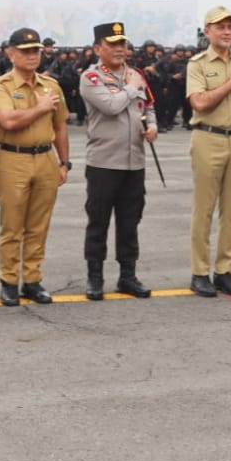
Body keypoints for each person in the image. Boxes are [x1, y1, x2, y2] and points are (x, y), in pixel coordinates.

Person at [0, 27, 71, 305]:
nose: (32, 55)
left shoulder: (51, 86)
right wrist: (39, 108)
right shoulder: (1, 86)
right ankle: (9, 281)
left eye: (35, 50)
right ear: (10, 54)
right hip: (13, 158)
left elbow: (60, 126)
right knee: (12, 226)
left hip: (45, 158)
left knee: (39, 225)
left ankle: (32, 280)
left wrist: (64, 162)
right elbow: (8, 121)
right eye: (25, 51)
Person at [77, 21, 154, 300]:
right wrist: (132, 88)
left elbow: (148, 107)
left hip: (135, 162)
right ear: (98, 48)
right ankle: (94, 277)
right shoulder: (92, 77)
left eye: (123, 44)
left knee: (130, 221)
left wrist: (152, 126)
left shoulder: (135, 74)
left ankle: (128, 275)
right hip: (104, 163)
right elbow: (111, 106)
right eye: (113, 44)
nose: (120, 49)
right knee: (98, 221)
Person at [186, 6, 231, 297]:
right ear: (208, 32)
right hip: (208, 138)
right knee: (203, 210)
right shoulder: (198, 64)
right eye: (221, 27)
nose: (227, 32)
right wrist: (230, 84)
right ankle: (200, 272)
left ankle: (225, 270)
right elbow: (200, 103)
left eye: (230, 27)